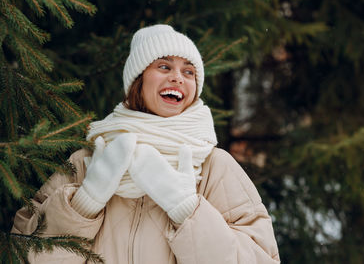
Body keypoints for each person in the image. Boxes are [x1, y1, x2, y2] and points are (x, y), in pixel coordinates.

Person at [11, 24, 280, 263]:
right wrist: (83, 204)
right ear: (137, 81)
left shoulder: (214, 166)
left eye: (189, 71)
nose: (178, 77)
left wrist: (187, 210)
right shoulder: (86, 162)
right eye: (164, 66)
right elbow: (23, 254)